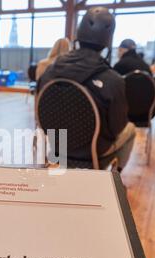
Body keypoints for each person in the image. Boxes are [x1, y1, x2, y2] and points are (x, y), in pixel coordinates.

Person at [38, 7, 135, 171]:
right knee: (130, 129)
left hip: (57, 146)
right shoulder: (113, 79)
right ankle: (114, 179)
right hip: (94, 152)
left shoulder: (49, 72)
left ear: (78, 35)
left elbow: (40, 114)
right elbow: (117, 127)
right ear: (107, 41)